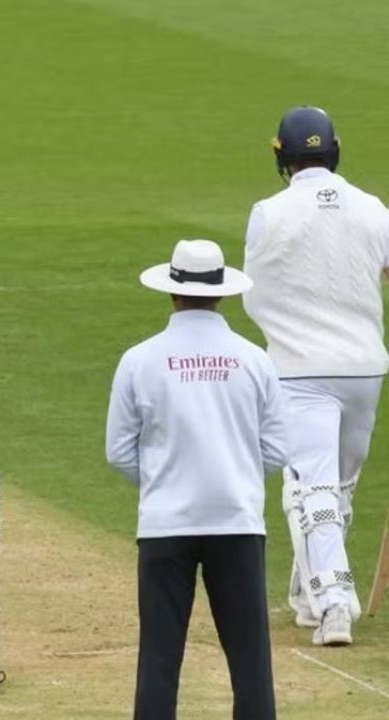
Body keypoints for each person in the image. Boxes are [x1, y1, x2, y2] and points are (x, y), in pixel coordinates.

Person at [106, 239, 284, 720]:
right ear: (221, 293)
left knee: (160, 656)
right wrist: (237, 476)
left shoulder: (140, 359)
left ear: (172, 292)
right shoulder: (253, 359)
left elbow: (119, 451)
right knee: (250, 658)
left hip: (165, 525)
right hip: (238, 522)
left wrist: (166, 481)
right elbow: (276, 448)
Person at [242, 106, 389, 645]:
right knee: (336, 491)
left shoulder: (268, 212)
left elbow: (256, 288)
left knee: (313, 491)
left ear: (282, 157)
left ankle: (333, 602)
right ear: (335, 149)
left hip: (300, 371)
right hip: (364, 369)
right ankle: (311, 594)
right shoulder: (375, 210)